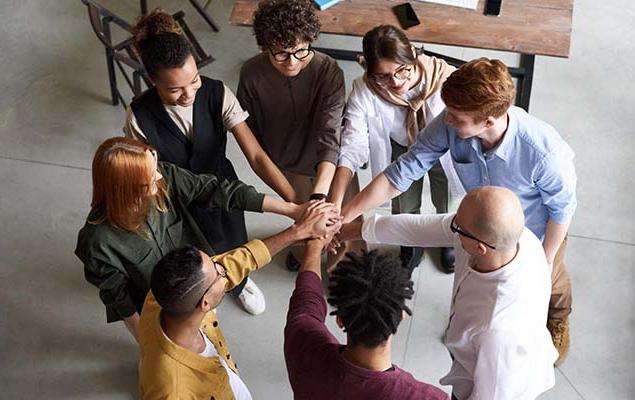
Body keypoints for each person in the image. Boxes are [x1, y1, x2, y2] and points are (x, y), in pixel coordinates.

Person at [341, 58, 577, 365]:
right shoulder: (450, 122)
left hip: (536, 231)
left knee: (552, 282)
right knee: (480, 286)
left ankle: (558, 318)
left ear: (489, 120)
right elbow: (403, 172)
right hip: (479, 227)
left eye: (456, 117)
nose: (447, 121)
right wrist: (345, 215)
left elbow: (563, 210)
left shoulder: (544, 153)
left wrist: (543, 262)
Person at [124, 9, 298, 314]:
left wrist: (295, 204)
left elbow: (256, 156)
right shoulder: (138, 116)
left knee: (232, 239)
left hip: (223, 190)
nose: (189, 94)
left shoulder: (217, 93)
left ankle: (239, 281)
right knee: (189, 254)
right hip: (176, 201)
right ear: (153, 81)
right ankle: (204, 288)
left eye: (194, 80)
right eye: (175, 89)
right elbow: (145, 175)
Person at [338, 186, 558, 399]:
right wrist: (347, 231)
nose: (451, 225)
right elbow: (420, 228)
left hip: (489, 379)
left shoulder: (497, 332)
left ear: (480, 247)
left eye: (457, 227)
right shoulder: (509, 238)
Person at [75, 137, 303, 340]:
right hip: (159, 305)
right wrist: (147, 341)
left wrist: (291, 209)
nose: (159, 176)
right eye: (149, 181)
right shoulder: (97, 242)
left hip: (200, 276)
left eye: (155, 168)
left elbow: (218, 191)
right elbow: (120, 299)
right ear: (124, 191)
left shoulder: (163, 176)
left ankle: (234, 287)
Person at [138, 201, 340, 400]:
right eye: (218, 274)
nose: (223, 269)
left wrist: (297, 233)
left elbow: (236, 261)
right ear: (205, 303)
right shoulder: (172, 390)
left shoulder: (160, 298)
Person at [236, 0, 362, 271]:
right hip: (287, 165)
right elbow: (254, 142)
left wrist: (318, 198)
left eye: (301, 51)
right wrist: (298, 203)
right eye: (281, 54)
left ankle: (346, 267)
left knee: (345, 220)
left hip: (329, 164)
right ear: (264, 46)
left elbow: (330, 137)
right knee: (303, 222)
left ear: (310, 40)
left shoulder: (328, 71)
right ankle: (303, 255)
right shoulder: (251, 76)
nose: (292, 62)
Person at [329, 24, 459, 274]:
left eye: (402, 70)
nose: (396, 81)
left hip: (443, 149)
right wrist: (337, 207)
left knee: (448, 198)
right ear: (369, 70)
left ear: (412, 54)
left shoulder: (444, 77)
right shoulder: (364, 88)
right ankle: (410, 243)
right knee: (403, 203)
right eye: (384, 76)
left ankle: (447, 237)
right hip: (401, 146)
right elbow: (352, 143)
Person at [284, 240, 448, 399]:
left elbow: (306, 299)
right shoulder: (429, 397)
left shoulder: (303, 341)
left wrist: (314, 245)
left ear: (340, 319)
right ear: (401, 315)